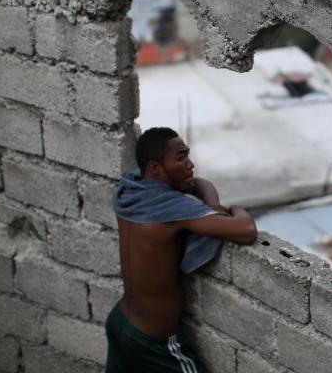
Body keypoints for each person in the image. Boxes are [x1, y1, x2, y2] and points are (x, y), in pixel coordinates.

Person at [106, 127, 257, 372]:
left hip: (120, 322)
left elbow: (200, 183)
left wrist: (212, 205)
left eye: (187, 155)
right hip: (154, 341)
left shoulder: (131, 193)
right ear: (155, 168)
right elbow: (246, 231)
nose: (190, 164)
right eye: (180, 158)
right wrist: (237, 209)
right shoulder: (170, 209)